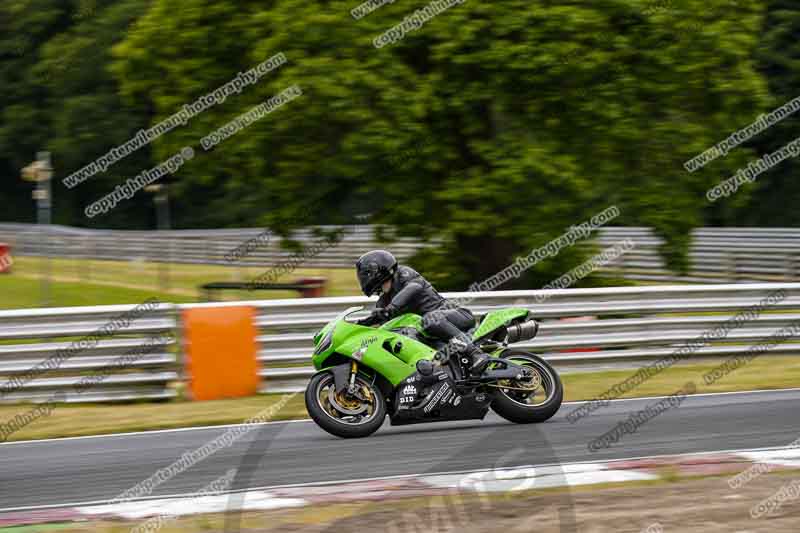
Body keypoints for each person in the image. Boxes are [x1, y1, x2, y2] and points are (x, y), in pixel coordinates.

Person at [354, 249, 490, 375]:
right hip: (433, 335)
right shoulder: (384, 300)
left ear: (377, 269)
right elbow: (378, 319)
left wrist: (392, 307)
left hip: (455, 316)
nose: (364, 278)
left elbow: (413, 288)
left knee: (429, 320)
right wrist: (358, 326)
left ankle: (475, 353)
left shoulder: (403, 274)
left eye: (366, 274)